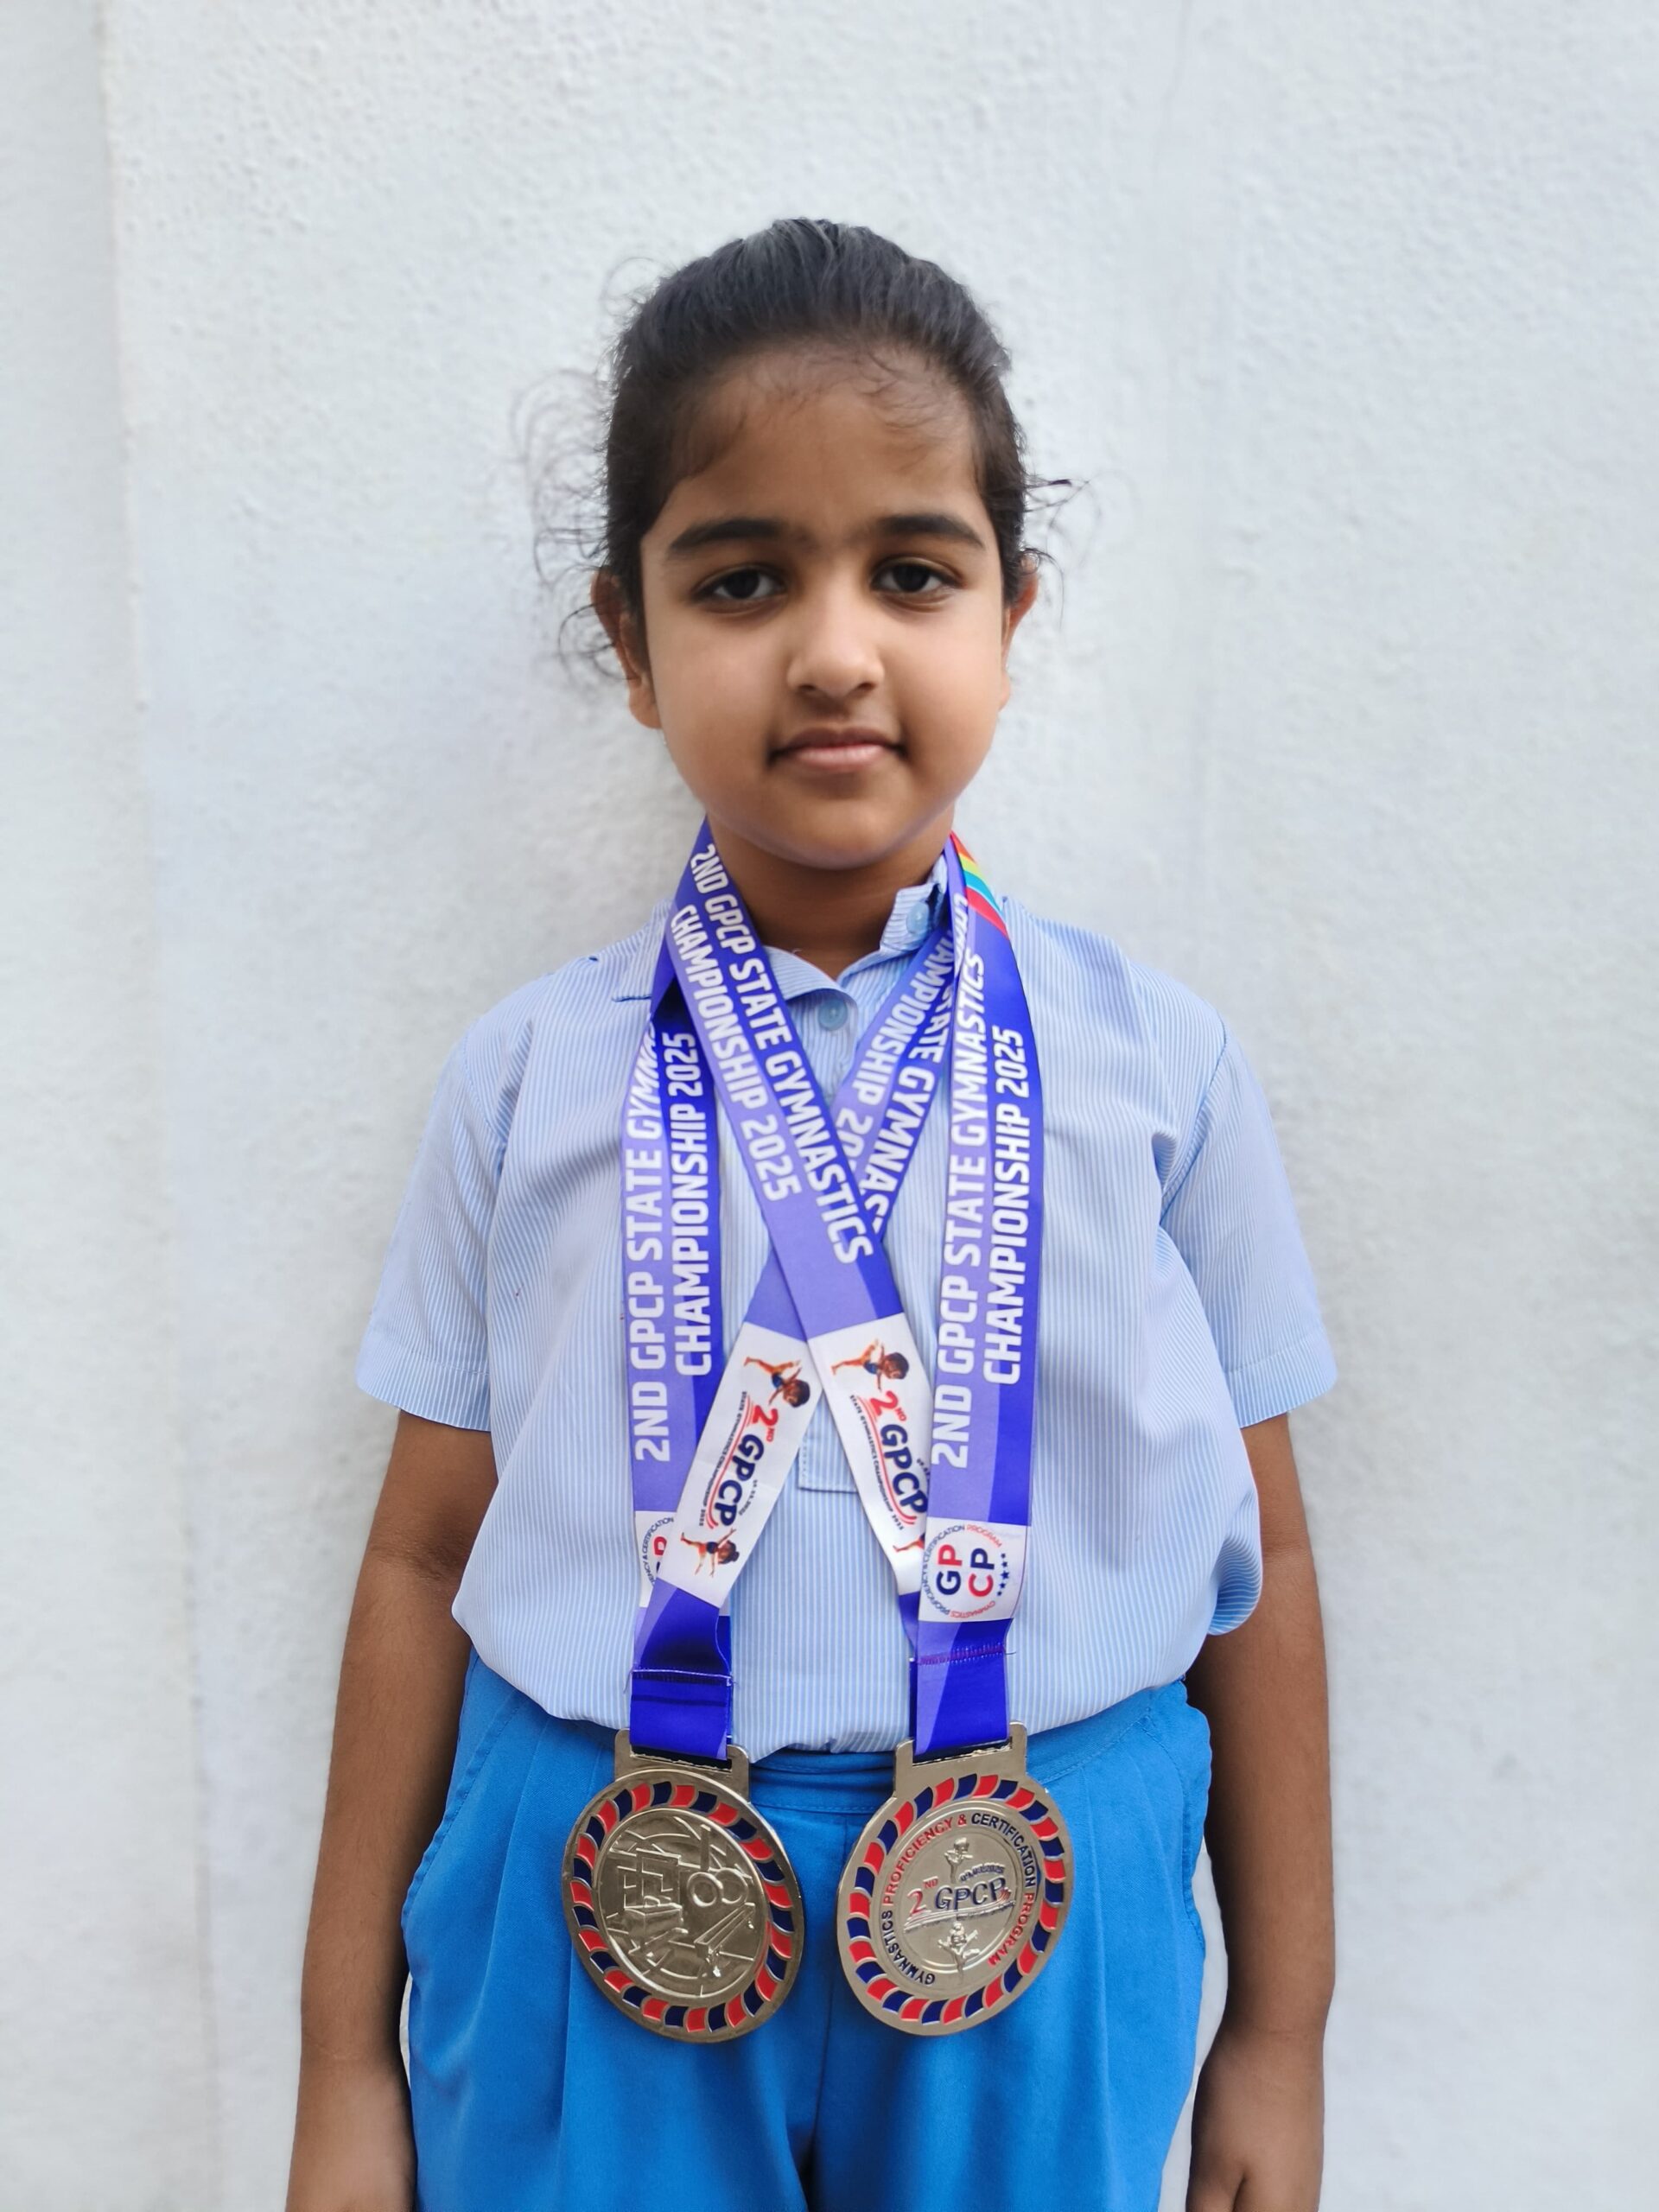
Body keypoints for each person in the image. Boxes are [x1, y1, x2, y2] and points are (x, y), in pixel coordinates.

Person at [287, 218, 1338, 2212]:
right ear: (630, 638)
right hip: (601, 1893)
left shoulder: (1157, 1068)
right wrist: (344, 2056)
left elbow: (1261, 1544)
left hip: (1042, 1896)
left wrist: (1283, 2023)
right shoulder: (529, 1079)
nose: (835, 646)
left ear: (1010, 615)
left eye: (912, 572)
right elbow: (426, 1554)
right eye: (745, 576)